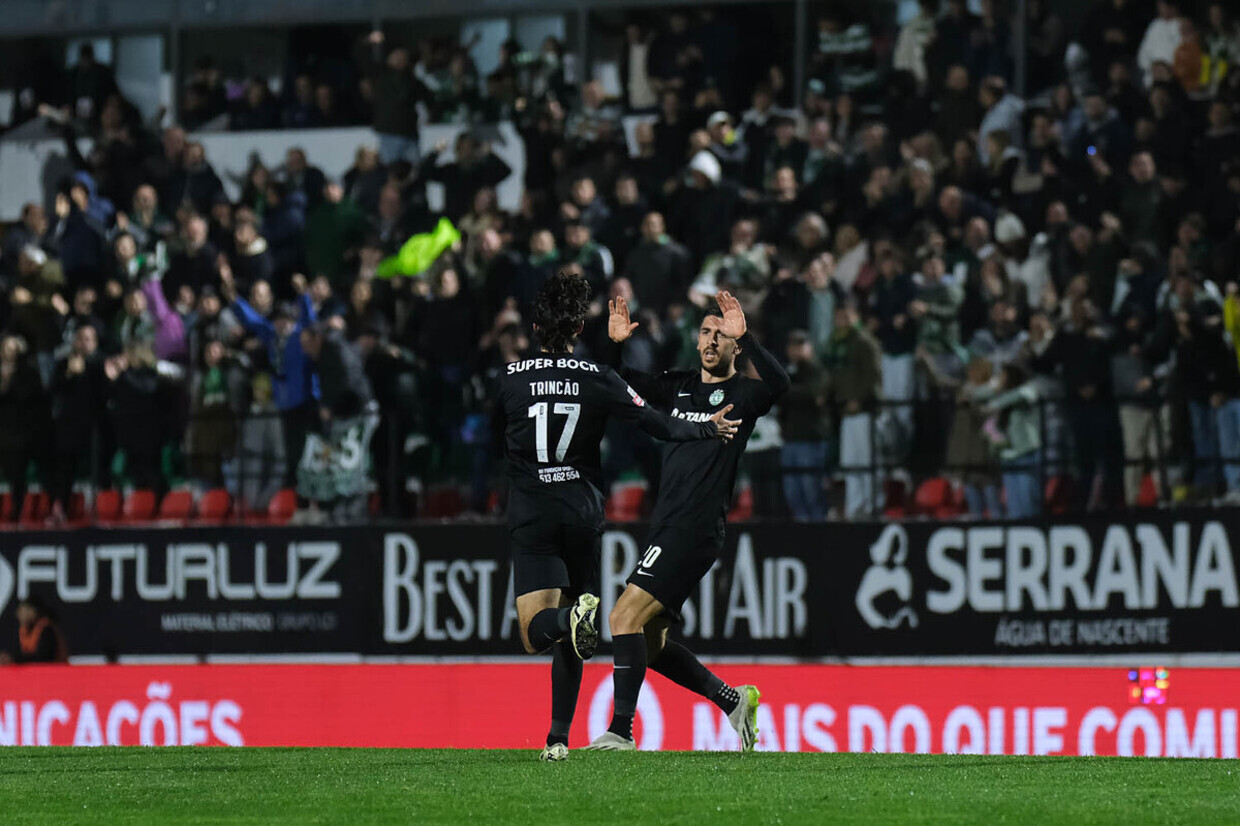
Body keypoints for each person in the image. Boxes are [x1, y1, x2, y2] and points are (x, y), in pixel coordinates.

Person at [493, 272, 737, 762]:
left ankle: (565, 657)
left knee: (540, 628)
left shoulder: (510, 378)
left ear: (536, 329)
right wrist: (707, 430)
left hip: (533, 511)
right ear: (579, 332)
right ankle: (557, 738)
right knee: (575, 635)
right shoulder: (597, 379)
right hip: (581, 512)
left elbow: (493, 440)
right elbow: (657, 423)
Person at [588, 290, 789, 752]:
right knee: (651, 643)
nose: (712, 339)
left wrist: (750, 337)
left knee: (622, 616)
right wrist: (614, 345)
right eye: (705, 332)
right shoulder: (677, 387)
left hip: (695, 524)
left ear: (734, 346)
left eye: (721, 334)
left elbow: (780, 385)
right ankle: (732, 700)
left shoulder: (743, 393)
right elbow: (615, 381)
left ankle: (620, 731)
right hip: (670, 522)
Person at [0, 598, 68, 664]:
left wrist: (15, 659)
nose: (20, 615)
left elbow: (44, 658)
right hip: (34, 671)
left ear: (33, 611)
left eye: (24, 611)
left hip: (56, 671)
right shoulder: (23, 630)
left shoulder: (47, 629)